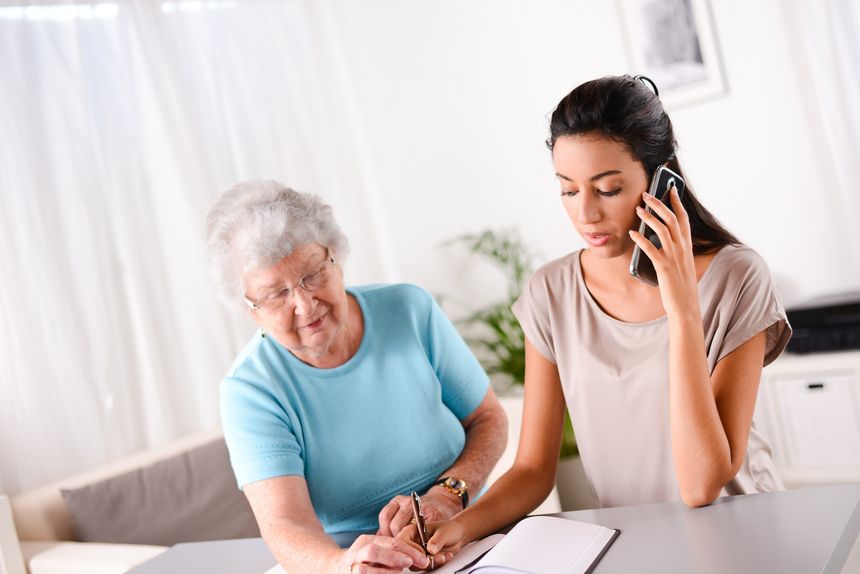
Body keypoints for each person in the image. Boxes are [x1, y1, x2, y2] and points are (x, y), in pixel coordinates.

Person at [400, 75, 792, 556]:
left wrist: (683, 310)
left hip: (744, 540)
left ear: (661, 179)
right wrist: (457, 530)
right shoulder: (550, 293)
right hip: (635, 548)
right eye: (568, 190)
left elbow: (702, 484)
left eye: (607, 189)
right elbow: (532, 470)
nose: (585, 214)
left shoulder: (737, 276)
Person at [204, 181, 507, 573]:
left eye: (312, 274)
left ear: (336, 258)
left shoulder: (410, 310)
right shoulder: (250, 391)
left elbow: (489, 419)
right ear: (251, 310)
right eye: (276, 294)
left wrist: (449, 494)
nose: (304, 304)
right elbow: (285, 524)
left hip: (473, 537)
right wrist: (345, 565)